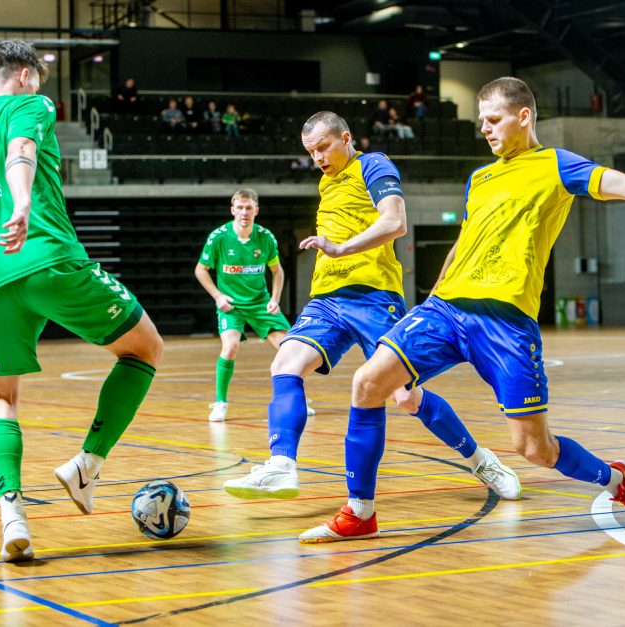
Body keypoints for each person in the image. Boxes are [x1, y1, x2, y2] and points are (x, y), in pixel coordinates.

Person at [299, 77, 625, 543]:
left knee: (534, 449)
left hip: (506, 321)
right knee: (368, 383)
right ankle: (360, 511)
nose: (485, 130)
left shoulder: (556, 166)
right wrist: (433, 296)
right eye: (482, 121)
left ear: (523, 116)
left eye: (494, 120)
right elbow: (463, 244)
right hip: (445, 310)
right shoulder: (479, 178)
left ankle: (615, 481)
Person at [222, 111, 521, 506]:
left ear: (346, 138)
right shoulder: (327, 182)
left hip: (375, 297)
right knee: (284, 364)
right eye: (311, 152)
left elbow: (395, 222)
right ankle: (281, 464)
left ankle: (481, 460)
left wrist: (342, 248)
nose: (319, 158)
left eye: (324, 147)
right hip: (327, 299)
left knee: (404, 396)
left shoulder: (373, 164)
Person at [0, 40, 163, 563]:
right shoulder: (30, 104)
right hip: (51, 258)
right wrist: (21, 201)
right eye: (37, 79)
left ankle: (12, 514)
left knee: (1, 397)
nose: (41, 89)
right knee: (145, 348)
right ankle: (87, 465)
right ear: (22, 75)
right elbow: (22, 151)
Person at [194, 188, 314, 422]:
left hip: (260, 304)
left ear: (256, 211)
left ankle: (297, 400)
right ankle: (220, 403)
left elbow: (277, 272)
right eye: (239, 207)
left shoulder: (265, 237)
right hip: (232, 305)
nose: (244, 212)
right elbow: (201, 270)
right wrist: (218, 296)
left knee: (291, 349)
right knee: (230, 347)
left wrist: (274, 300)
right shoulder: (218, 237)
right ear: (232, 210)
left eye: (248, 207)